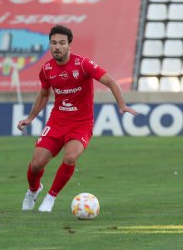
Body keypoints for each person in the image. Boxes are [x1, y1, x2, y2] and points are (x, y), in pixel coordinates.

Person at [18, 25, 138, 213]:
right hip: (57, 121)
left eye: (62, 43)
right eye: (53, 43)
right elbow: (43, 95)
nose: (57, 47)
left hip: (81, 123)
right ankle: (34, 190)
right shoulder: (47, 69)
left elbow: (111, 81)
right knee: (36, 164)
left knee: (70, 157)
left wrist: (121, 105)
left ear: (69, 45)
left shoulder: (83, 64)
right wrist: (30, 118)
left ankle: (50, 197)